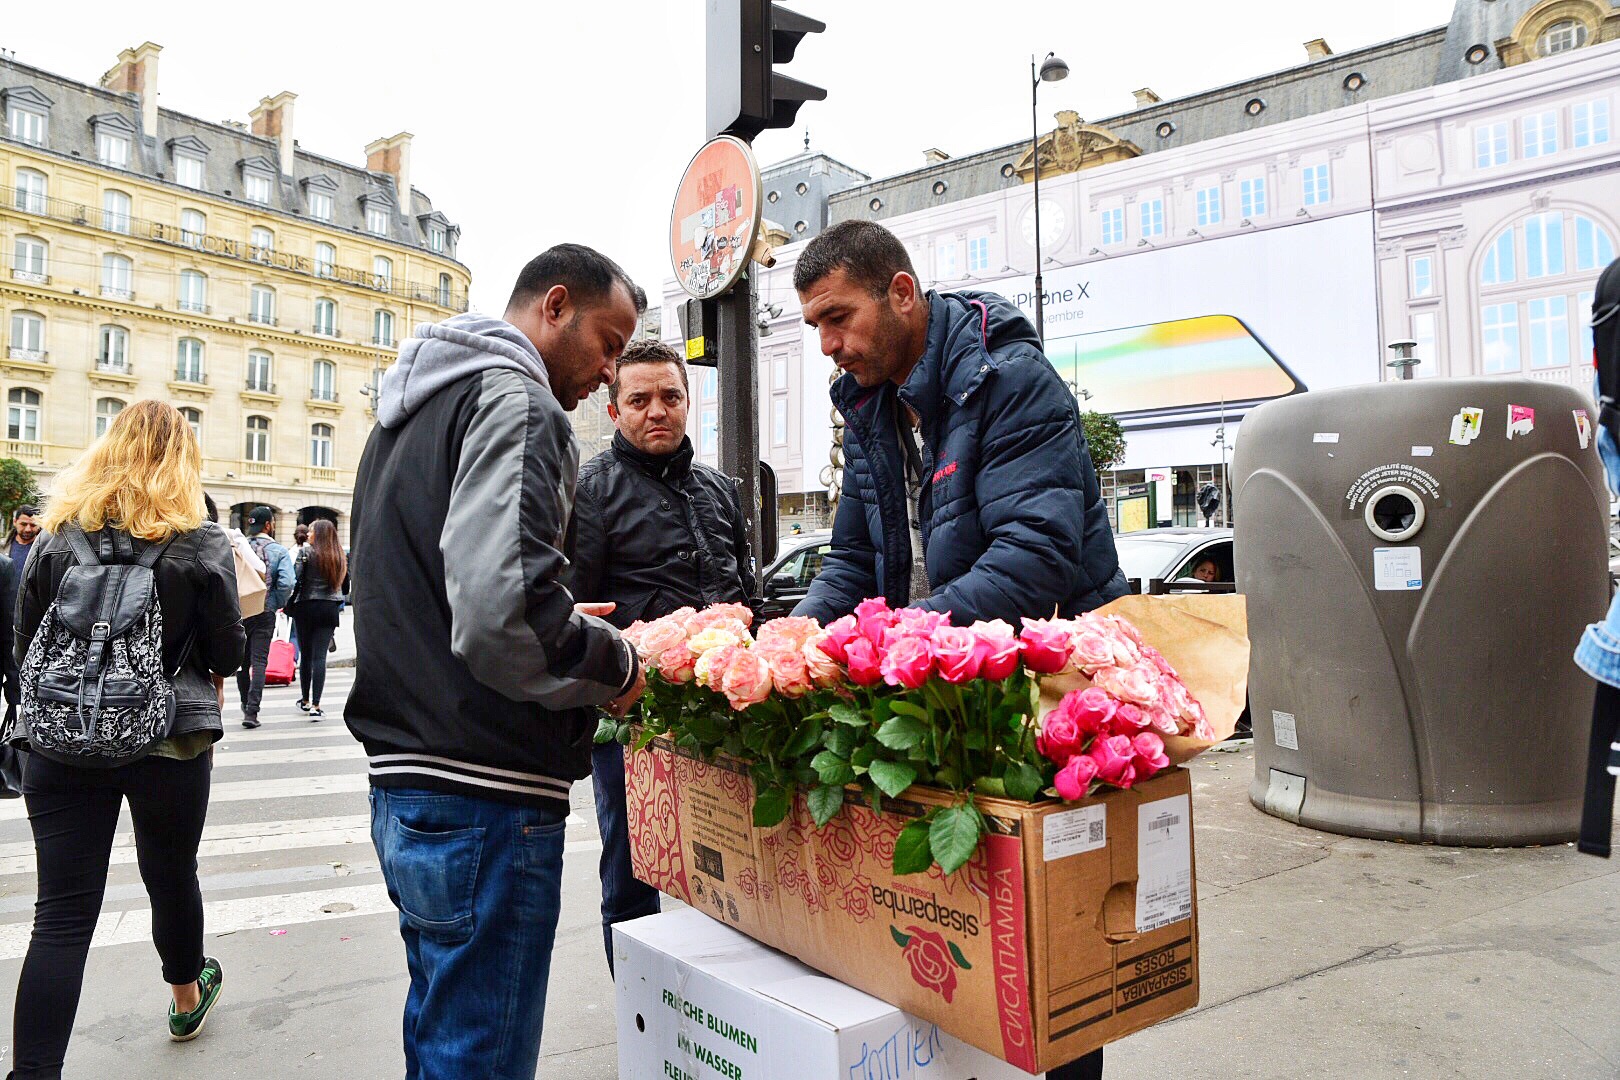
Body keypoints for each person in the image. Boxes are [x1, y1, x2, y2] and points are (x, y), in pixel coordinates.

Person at [790, 220, 1125, 1080]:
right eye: (815, 327)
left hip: (1037, 708)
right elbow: (858, 558)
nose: (829, 346)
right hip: (936, 695)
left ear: (901, 292)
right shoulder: (868, 408)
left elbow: (1035, 556)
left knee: (1045, 962)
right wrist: (799, 637)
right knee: (954, 953)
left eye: (839, 318)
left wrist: (903, 641)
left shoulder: (1008, 380)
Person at [347, 243, 647, 1080]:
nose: (611, 372)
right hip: (483, 788)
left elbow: (430, 587)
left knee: (439, 1035)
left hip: (410, 780)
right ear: (555, 306)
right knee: (476, 1056)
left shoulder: (408, 412)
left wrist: (546, 613)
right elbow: (497, 612)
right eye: (610, 343)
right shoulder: (518, 403)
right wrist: (616, 664)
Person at [6, 400, 245, 1075]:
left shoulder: (56, 537)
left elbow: (25, 648)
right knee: (171, 878)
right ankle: (184, 994)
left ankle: (32, 1073)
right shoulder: (200, 539)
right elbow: (228, 655)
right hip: (167, 743)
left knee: (59, 915)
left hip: (56, 741)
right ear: (183, 461)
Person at [568, 338, 755, 969]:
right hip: (631, 722)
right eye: (640, 399)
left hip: (725, 714)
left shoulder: (719, 490)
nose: (658, 411)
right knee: (630, 875)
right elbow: (576, 615)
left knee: (736, 866)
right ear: (615, 409)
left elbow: (744, 591)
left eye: (670, 397)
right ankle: (640, 1010)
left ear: (687, 400)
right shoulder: (589, 491)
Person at [237, 506, 294, 729]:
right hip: (264, 611)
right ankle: (252, 712)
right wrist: (276, 603)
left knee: (242, 661)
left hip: (240, 611)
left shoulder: (238, 548)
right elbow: (288, 582)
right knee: (259, 661)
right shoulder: (278, 551)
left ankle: (244, 703)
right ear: (269, 525)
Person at [290, 519, 348, 719]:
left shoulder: (305, 553)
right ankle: (316, 705)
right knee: (320, 657)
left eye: (312, 531)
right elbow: (345, 587)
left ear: (319, 534)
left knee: (306, 655)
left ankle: (305, 700)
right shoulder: (339, 556)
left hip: (305, 606)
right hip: (329, 608)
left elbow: (295, 578)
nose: (309, 534)